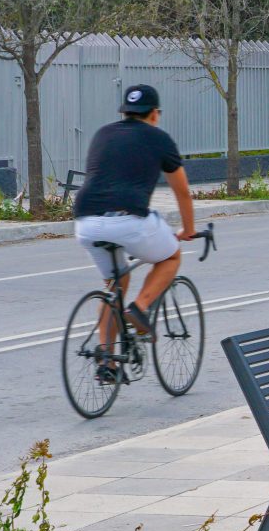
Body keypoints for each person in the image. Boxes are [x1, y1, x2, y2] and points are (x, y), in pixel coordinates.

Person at [72, 83, 198, 378]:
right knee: (170, 257)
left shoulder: (103, 133)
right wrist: (189, 229)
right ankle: (140, 308)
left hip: (86, 221)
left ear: (125, 112)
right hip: (128, 219)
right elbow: (182, 193)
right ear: (155, 114)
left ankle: (106, 361)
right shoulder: (159, 138)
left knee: (115, 284)